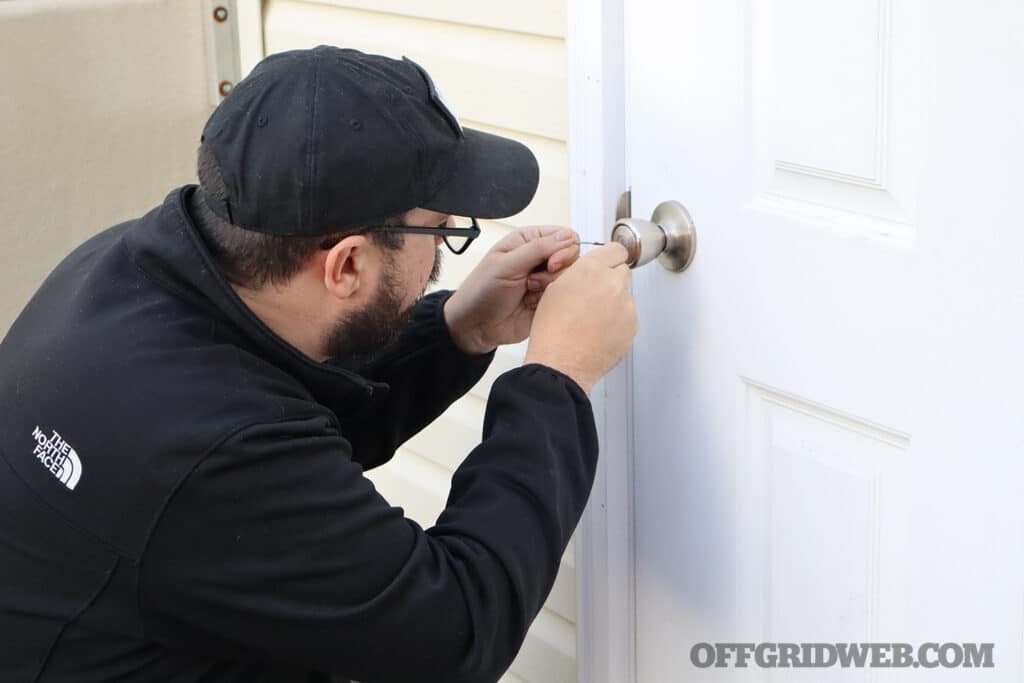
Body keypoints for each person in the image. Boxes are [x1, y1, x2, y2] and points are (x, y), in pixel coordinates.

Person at [0, 46, 637, 682]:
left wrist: (456, 330)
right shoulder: (212, 452)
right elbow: (453, 634)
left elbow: (277, 425)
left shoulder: (120, 270)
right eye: (441, 228)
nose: (446, 247)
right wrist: (558, 375)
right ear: (347, 264)